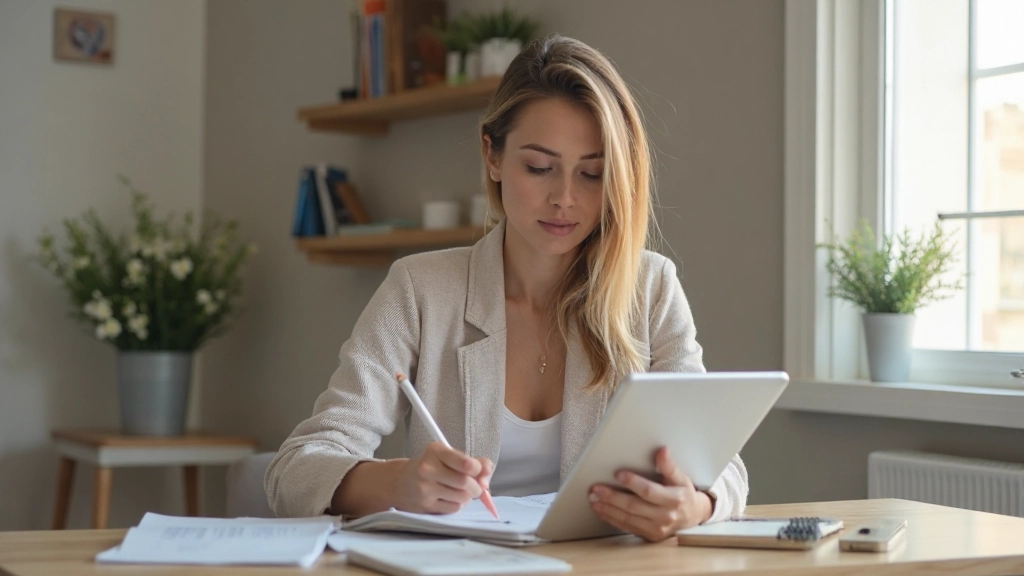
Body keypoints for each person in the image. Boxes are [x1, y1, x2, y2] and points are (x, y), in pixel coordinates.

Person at [265, 34, 747, 543]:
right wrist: (399, 481)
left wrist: (693, 504)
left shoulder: (650, 289)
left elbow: (724, 467)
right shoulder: (421, 290)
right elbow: (295, 469)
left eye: (592, 174)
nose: (564, 197)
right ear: (492, 155)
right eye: (539, 167)